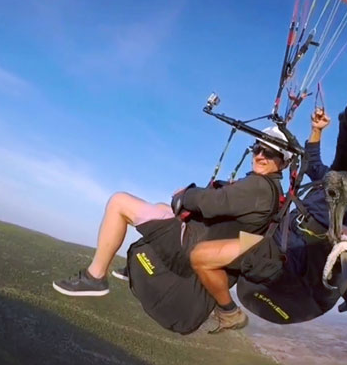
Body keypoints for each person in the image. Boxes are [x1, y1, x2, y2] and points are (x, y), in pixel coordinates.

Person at [191, 108, 347, 332]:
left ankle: (229, 313)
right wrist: (316, 130)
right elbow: (312, 163)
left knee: (202, 256)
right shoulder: (336, 177)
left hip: (290, 258)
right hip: (279, 240)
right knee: (223, 228)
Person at [52, 126, 292, 300]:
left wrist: (185, 195)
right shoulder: (270, 191)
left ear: (283, 162)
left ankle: (95, 277)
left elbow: (211, 202)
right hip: (207, 241)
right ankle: (140, 265)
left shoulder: (259, 187)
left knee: (119, 202)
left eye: (269, 153)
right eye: (258, 149)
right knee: (159, 208)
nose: (260, 155)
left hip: (192, 246)